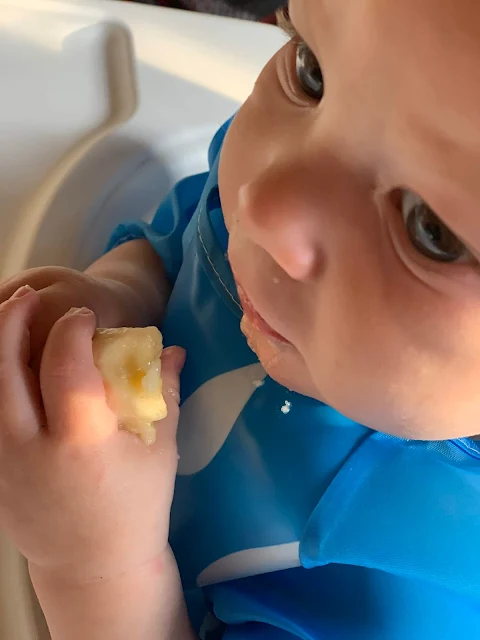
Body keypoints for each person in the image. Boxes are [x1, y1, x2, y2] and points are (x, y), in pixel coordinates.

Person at [0, 0, 479, 637]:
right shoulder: (308, 161)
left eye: (429, 230)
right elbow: (192, 233)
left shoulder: (403, 597)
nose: (262, 201)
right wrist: (117, 292)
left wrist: (94, 568)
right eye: (311, 68)